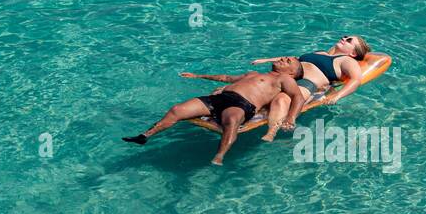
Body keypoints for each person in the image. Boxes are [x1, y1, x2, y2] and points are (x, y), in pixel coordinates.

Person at [123, 57, 307, 165]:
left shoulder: (284, 79)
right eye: (284, 57)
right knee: (177, 110)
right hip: (217, 99)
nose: (282, 58)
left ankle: (218, 157)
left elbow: (298, 97)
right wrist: (198, 75)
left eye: (288, 60)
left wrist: (291, 118)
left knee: (231, 121)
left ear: (292, 73)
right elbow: (226, 77)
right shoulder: (253, 74)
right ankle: (145, 136)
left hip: (242, 104)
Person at [251, 35, 371, 128]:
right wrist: (266, 60)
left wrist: (337, 96)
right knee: (255, 92)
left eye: (349, 40)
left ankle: (271, 129)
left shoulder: (346, 60)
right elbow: (294, 59)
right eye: (345, 36)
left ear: (353, 53)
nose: (344, 38)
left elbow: (356, 80)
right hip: (286, 76)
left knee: (282, 100)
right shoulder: (321, 53)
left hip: (306, 82)